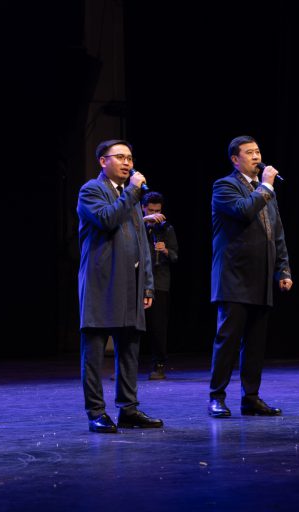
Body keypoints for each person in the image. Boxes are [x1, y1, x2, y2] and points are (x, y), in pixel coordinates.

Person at [77, 139, 164, 433]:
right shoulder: (91, 190)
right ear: (103, 161)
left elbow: (142, 243)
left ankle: (128, 409)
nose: (128, 163)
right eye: (120, 157)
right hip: (102, 283)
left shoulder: (131, 196)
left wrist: (147, 285)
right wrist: (131, 192)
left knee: (129, 349)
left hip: (131, 284)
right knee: (94, 351)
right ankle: (96, 412)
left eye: (130, 158)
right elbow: (107, 219)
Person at [207, 135, 293, 418]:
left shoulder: (266, 191)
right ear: (235, 159)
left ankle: (251, 397)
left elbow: (276, 233)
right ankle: (217, 397)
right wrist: (266, 186)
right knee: (228, 340)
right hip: (233, 275)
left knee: (255, 343)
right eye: (250, 152)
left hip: (261, 276)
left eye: (258, 151)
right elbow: (243, 211)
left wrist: (283, 269)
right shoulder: (224, 186)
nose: (257, 157)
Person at [141, 191, 179, 379]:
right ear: (143, 209)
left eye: (158, 211)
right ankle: (125, 366)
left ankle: (159, 365)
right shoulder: (137, 227)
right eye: (151, 211)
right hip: (138, 281)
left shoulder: (166, 229)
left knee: (158, 326)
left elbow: (175, 256)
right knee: (130, 326)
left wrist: (165, 251)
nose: (155, 215)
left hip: (159, 282)